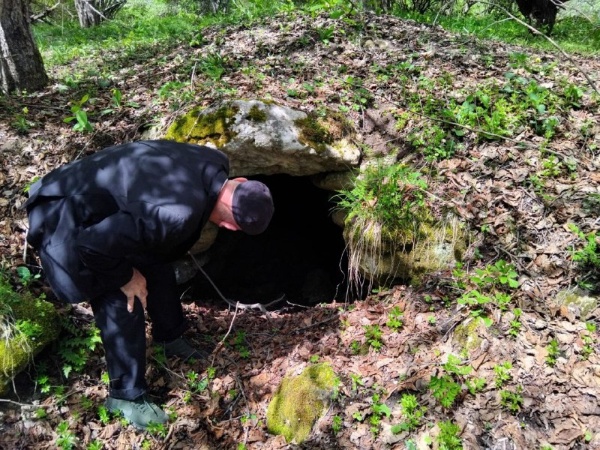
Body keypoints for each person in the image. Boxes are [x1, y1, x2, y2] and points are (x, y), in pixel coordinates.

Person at [24, 140, 274, 429]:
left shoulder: (215, 161)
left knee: (156, 262)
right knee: (119, 293)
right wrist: (127, 277)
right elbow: (93, 245)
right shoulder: (177, 214)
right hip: (65, 212)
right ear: (230, 226)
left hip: (102, 206)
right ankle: (126, 395)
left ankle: (170, 337)